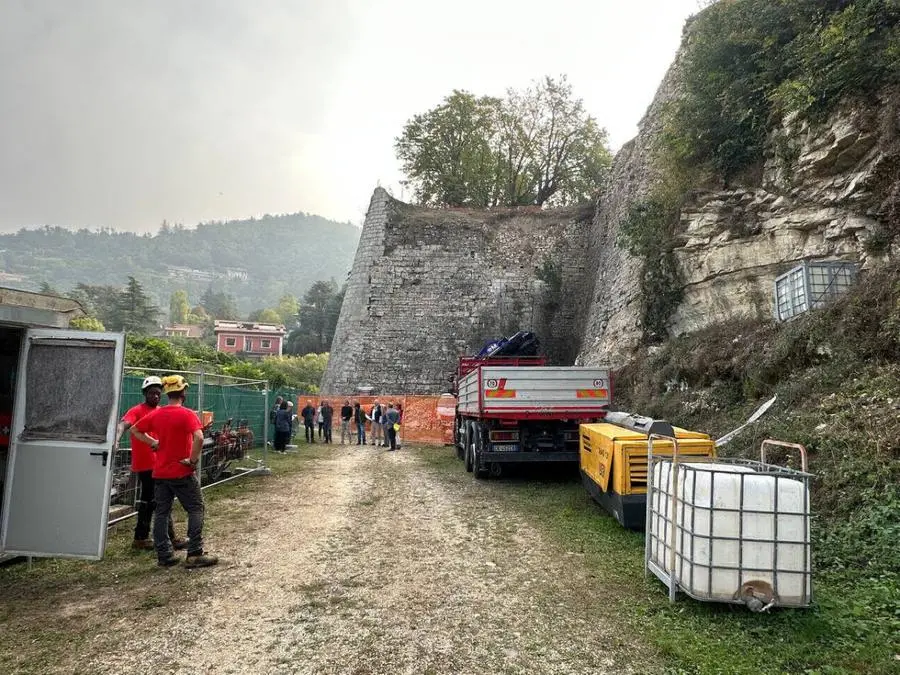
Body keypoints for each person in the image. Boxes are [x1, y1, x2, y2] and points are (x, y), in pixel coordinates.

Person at [131, 375, 218, 568]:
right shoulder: (187, 414)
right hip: (182, 472)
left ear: (167, 392)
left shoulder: (157, 414)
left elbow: (135, 430)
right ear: (183, 392)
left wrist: (153, 442)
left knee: (161, 513)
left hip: (160, 473)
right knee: (195, 509)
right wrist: (193, 460)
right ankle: (194, 553)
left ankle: (165, 556)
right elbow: (199, 438)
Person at [113, 376, 187, 552]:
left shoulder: (161, 411)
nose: (156, 396)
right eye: (152, 393)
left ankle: (143, 537)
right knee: (156, 501)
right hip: (146, 465)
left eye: (158, 393)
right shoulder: (137, 410)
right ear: (145, 393)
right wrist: (116, 440)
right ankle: (158, 538)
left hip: (161, 464)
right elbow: (123, 425)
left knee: (156, 501)